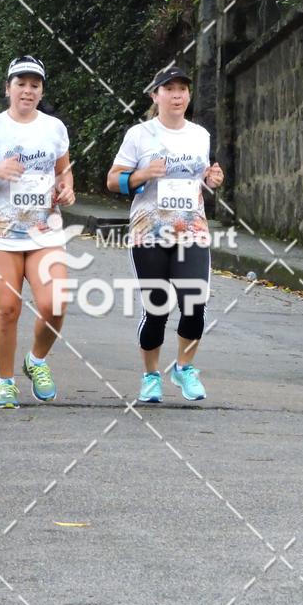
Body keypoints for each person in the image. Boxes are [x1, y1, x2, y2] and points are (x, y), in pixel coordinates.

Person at [0, 56, 75, 408]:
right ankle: (5, 381)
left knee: (54, 303)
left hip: (44, 230)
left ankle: (36, 361)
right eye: (20, 84)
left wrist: (66, 189)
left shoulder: (54, 128)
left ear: (41, 90)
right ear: (8, 88)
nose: (27, 90)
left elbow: (64, 173)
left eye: (34, 85)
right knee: (7, 308)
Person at [107, 66, 224, 403]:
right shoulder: (139, 134)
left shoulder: (200, 135)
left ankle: (184, 368)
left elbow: (201, 178)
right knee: (157, 308)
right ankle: (150, 376)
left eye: (182, 89)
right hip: (149, 232)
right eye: (169, 89)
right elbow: (113, 180)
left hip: (192, 230)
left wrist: (212, 179)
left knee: (195, 303)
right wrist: (142, 174)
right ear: (154, 95)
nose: (177, 96)